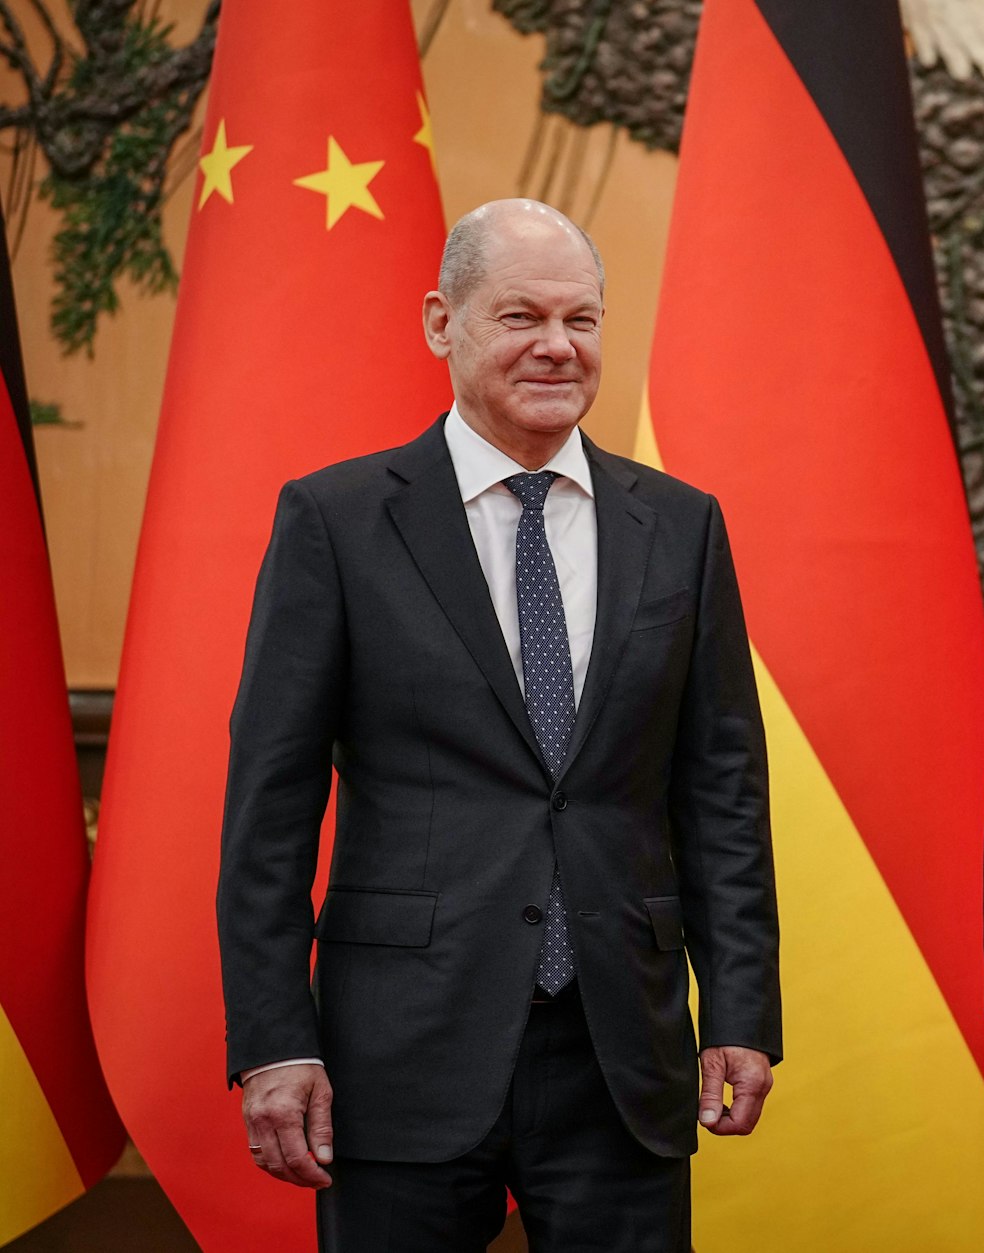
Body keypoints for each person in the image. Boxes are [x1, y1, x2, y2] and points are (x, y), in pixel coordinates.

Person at [218, 198, 781, 1252]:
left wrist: (742, 1009)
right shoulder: (335, 521)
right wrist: (272, 1039)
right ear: (442, 321)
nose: (556, 347)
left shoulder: (680, 525)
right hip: (401, 1050)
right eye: (520, 315)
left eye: (581, 319)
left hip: (621, 1048)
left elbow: (721, 791)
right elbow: (271, 807)